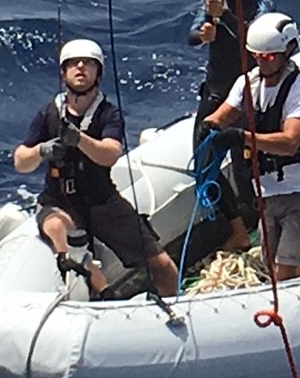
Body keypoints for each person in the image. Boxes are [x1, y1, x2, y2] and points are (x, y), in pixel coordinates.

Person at [14, 38, 179, 298]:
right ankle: (105, 295)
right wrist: (41, 150)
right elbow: (21, 161)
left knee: (163, 266)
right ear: (63, 72)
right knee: (58, 228)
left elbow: (110, 154)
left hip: (102, 199)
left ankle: (171, 307)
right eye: (73, 64)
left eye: (88, 64)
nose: (81, 68)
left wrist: (78, 139)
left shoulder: (108, 114)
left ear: (98, 73)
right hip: (58, 199)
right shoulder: (49, 113)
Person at [201, 12, 300, 282]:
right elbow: (225, 113)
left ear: (288, 50)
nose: (261, 61)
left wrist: (241, 137)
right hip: (268, 191)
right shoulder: (248, 82)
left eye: (268, 56)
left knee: (284, 266)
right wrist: (210, 125)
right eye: (255, 55)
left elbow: (290, 143)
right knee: (267, 259)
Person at [187, 0, 274, 249]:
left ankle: (264, 226)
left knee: (245, 167)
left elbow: (256, 39)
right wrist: (204, 33)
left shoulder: (261, 5)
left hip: (247, 98)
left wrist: (224, 16)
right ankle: (236, 228)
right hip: (214, 95)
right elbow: (192, 35)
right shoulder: (211, 4)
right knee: (203, 162)